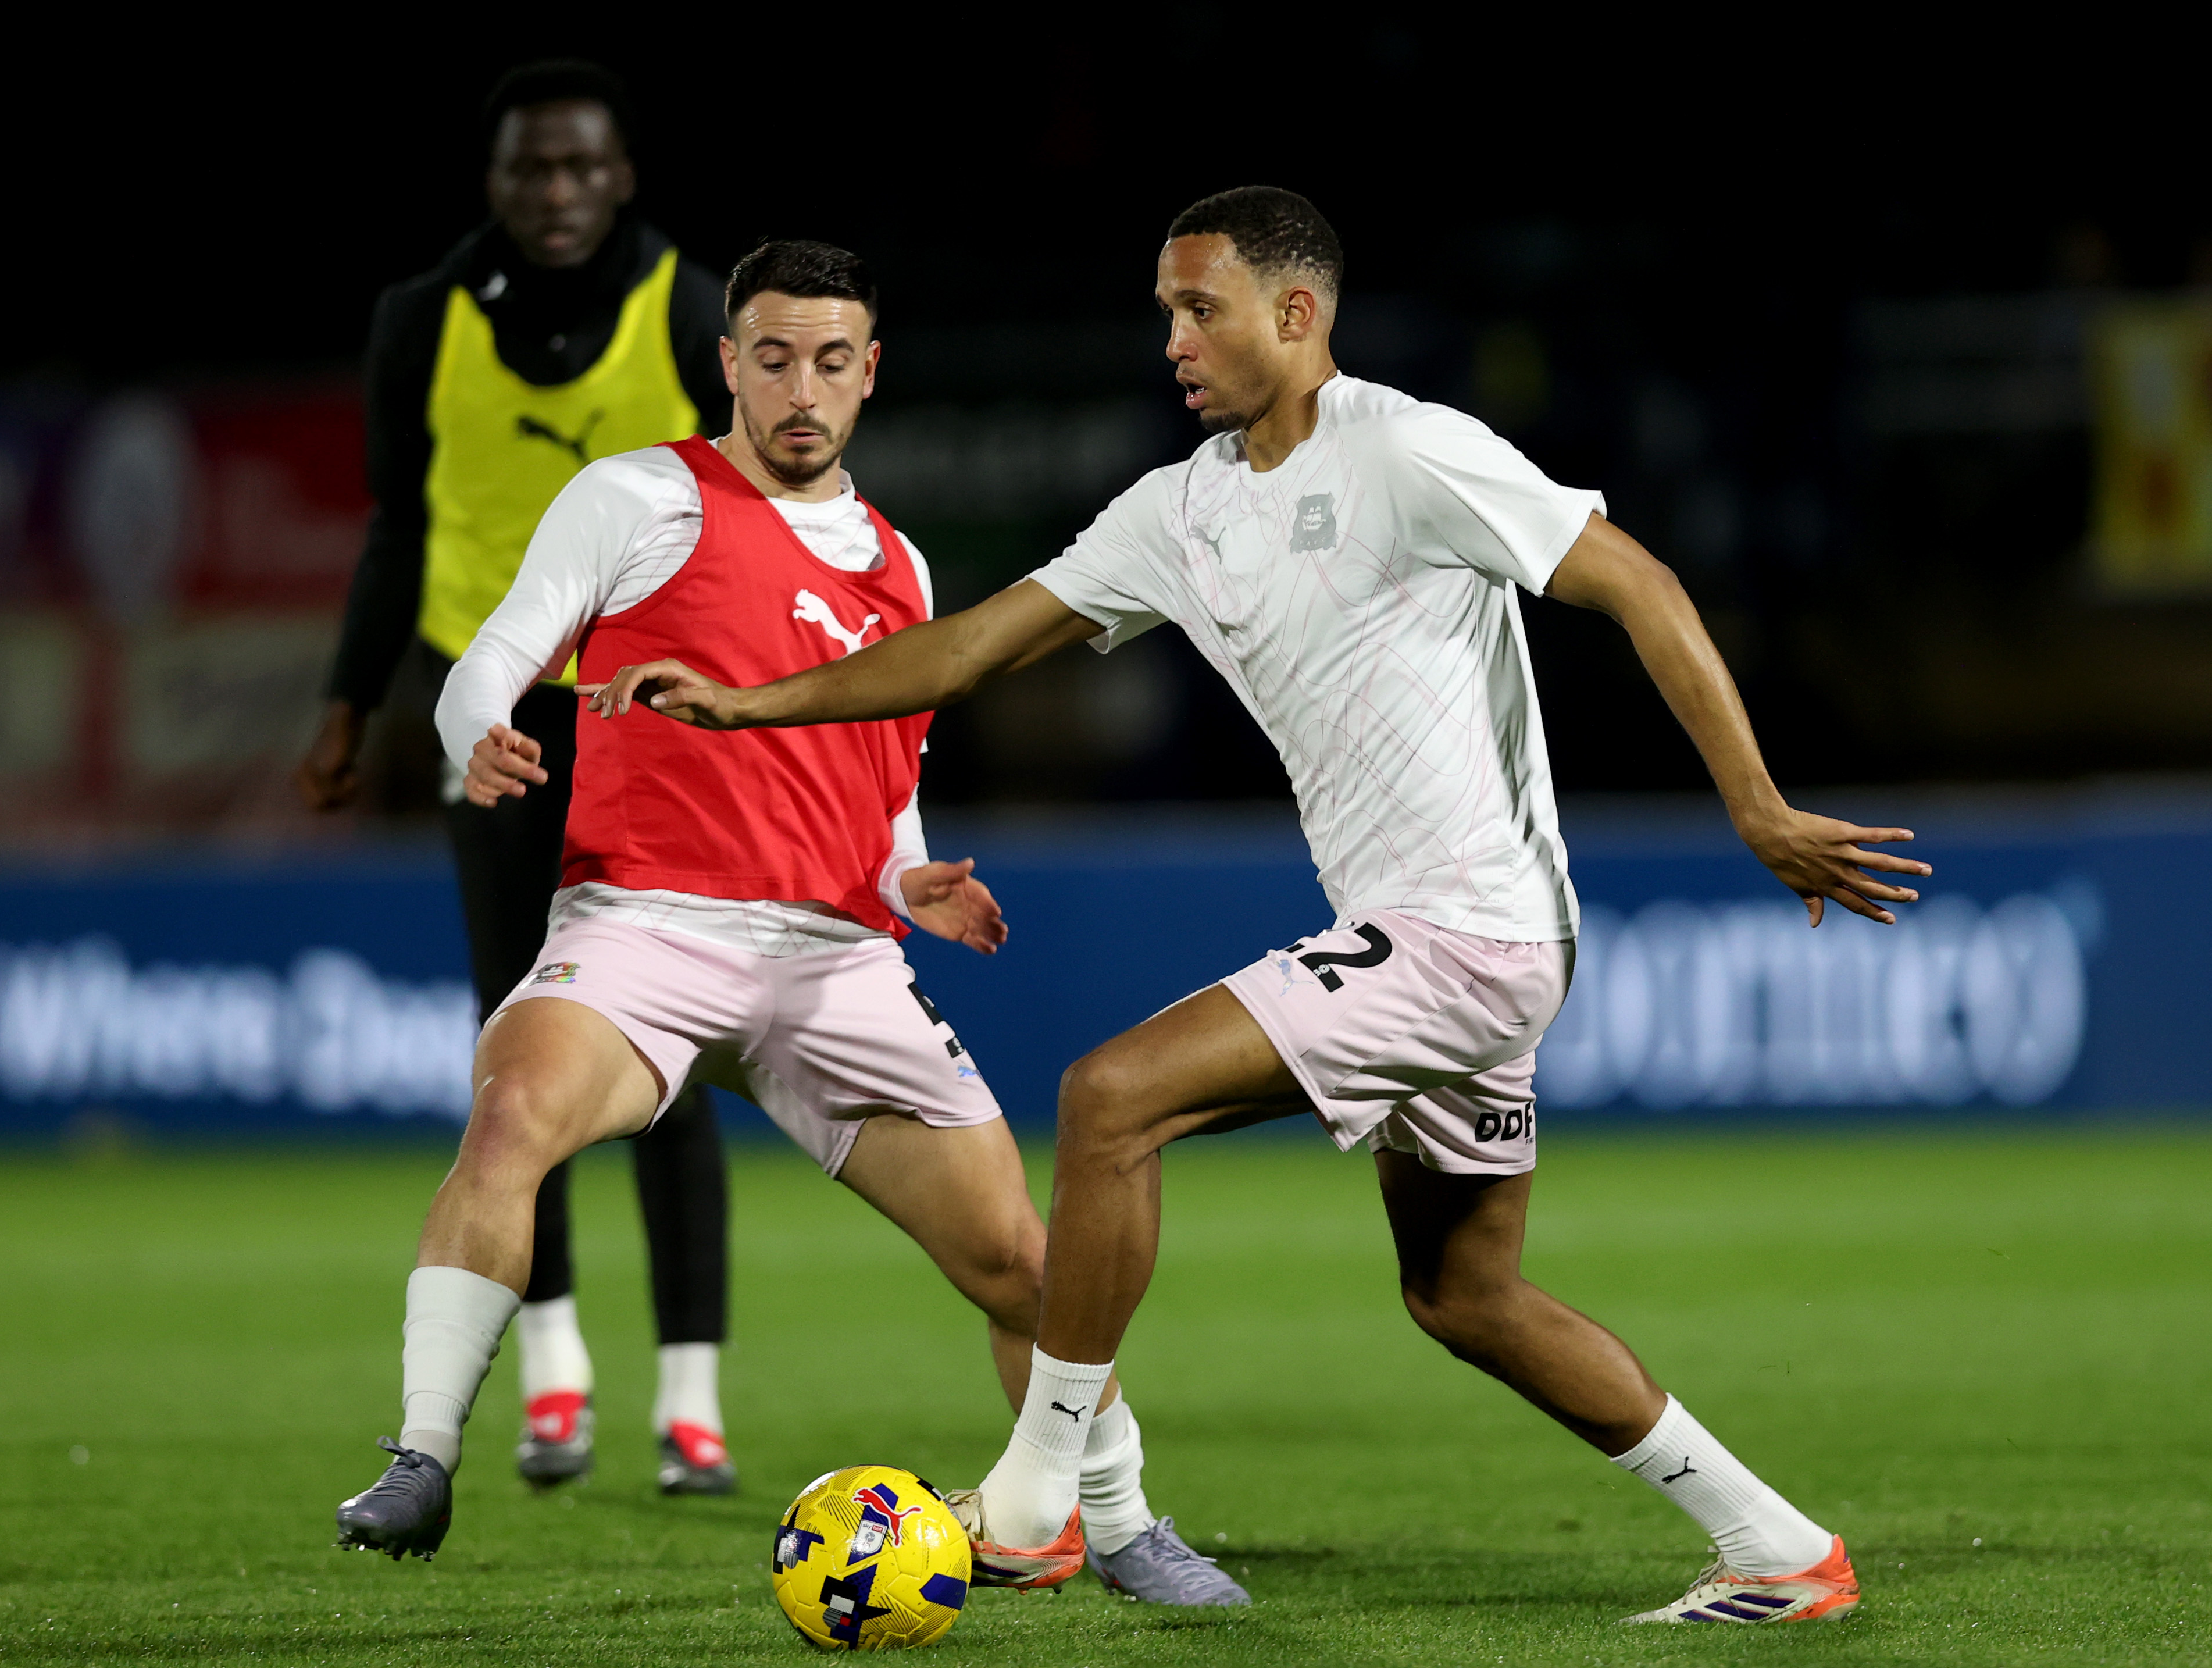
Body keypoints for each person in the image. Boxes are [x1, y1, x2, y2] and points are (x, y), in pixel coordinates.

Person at [586, 187, 1938, 1627]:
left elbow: (1639, 583)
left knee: (1111, 1101)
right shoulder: (1181, 511)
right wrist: (752, 706)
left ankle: (1037, 1501)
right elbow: (968, 649)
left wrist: (1757, 807)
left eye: (1200, 308)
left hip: (1468, 934)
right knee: (1464, 1296)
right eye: (1166, 311)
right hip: (1435, 945)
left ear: (1297, 314)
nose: (1173, 339)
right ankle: (1779, 1549)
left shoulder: (1407, 450)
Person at [332, 238, 1244, 1607]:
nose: (800, 390)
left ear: (870, 373)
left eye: (829, 361)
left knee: (1025, 1265)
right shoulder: (636, 497)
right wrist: (480, 737)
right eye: (772, 359)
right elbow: (492, 660)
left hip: (835, 962)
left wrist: (907, 880)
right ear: (729, 363)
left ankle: (1116, 1522)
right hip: (644, 929)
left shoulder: (901, 568)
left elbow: (888, 792)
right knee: (513, 1113)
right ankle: (422, 1454)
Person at [297, 60, 739, 1495]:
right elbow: (398, 526)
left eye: (582, 167)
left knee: (668, 1047)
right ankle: (555, 1380)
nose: (557, 192)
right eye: (531, 169)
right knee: (518, 1049)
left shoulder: (691, 310)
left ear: (624, 178)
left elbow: (756, 514)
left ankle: (691, 1403)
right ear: (493, 183)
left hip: (651, 719)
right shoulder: (422, 322)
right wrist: (349, 704)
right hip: (489, 711)